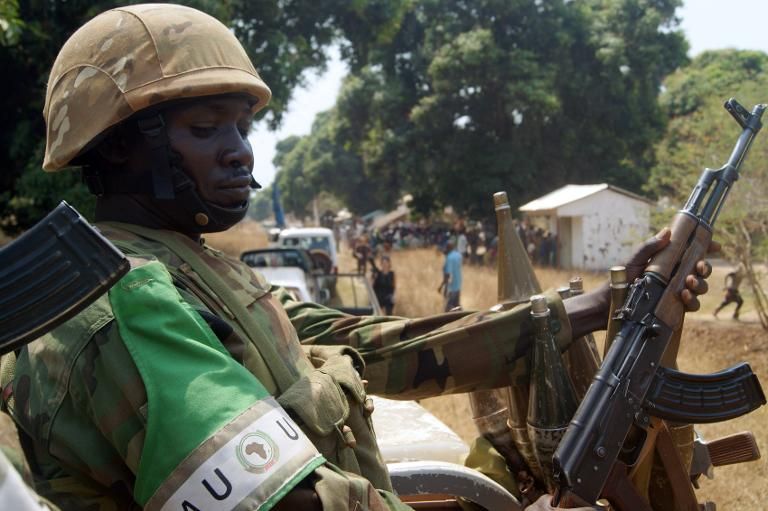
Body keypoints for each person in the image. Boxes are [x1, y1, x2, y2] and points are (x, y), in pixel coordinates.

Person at [2, 5, 714, 511]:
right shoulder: (126, 300)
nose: (239, 152)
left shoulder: (195, 269)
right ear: (119, 146)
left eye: (242, 127)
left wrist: (600, 302)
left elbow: (375, 345)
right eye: (205, 127)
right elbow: (288, 503)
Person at [438, 240, 463, 311]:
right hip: (458, 283)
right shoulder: (458, 255)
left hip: (452, 286)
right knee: (456, 305)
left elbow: (448, 274)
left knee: (448, 308)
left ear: (448, 248)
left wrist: (441, 286)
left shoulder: (449, 258)